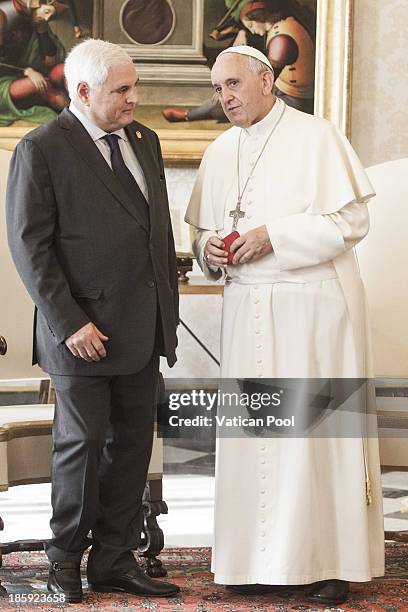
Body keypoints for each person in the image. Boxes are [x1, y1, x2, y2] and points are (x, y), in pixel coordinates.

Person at [185, 45, 384, 606]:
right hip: (248, 308)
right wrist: (210, 251)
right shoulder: (221, 150)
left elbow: (352, 219)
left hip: (312, 310)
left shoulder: (316, 136)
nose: (224, 97)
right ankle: (254, 560)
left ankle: (330, 564)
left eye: (233, 84)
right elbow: (200, 234)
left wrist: (275, 236)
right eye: (217, 88)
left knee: (316, 437)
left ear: (266, 80)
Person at [6, 38, 180, 603]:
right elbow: (30, 247)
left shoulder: (144, 140)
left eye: (135, 87)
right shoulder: (42, 148)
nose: (135, 99)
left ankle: (113, 560)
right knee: (79, 449)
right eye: (122, 90)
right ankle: (63, 564)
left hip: (141, 327)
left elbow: (152, 231)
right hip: (80, 333)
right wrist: (69, 322)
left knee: (131, 447)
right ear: (82, 91)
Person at [162, 0, 314, 123]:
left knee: (235, 98)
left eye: (250, 25)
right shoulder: (283, 26)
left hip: (293, 99)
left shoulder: (281, 39)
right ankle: (190, 114)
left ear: (259, 18)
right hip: (283, 90)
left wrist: (236, 86)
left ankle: (189, 115)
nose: (252, 30)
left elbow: (266, 80)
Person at [0, 0, 69, 126]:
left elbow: (50, 59)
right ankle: (70, 116)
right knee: (40, 86)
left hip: (26, 72)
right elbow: (5, 64)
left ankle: (79, 108)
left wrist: (41, 30)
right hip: (4, 85)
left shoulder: (33, 19)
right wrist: (27, 71)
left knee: (62, 70)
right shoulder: (6, 14)